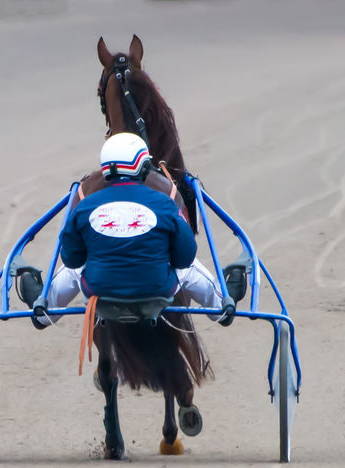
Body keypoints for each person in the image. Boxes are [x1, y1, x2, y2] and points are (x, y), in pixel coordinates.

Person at [16, 133, 245, 327]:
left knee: (74, 269)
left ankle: (44, 312)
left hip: (99, 294)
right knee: (189, 268)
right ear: (144, 166)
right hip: (158, 292)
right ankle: (220, 309)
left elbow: (71, 257)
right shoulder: (164, 204)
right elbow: (185, 256)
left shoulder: (85, 207)